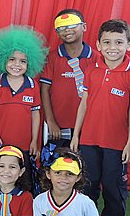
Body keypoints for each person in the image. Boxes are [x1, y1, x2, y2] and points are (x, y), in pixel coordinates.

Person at [71, 19, 130, 216]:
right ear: (98, 45)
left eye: (119, 42)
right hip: (89, 140)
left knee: (113, 190)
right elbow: (83, 104)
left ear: (129, 44)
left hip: (116, 144)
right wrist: (76, 135)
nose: (113, 47)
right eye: (107, 42)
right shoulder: (91, 71)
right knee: (87, 187)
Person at [40, 9, 97, 148]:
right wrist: (50, 121)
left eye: (72, 25)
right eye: (61, 27)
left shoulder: (97, 59)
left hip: (88, 127)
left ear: (84, 27)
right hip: (58, 129)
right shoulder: (52, 58)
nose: (67, 30)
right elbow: (44, 90)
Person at [0, 26, 47, 157]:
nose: (17, 65)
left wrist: (34, 141)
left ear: (29, 63)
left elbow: (35, 115)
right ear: (3, 59)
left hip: (24, 146)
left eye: (23, 61)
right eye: (12, 59)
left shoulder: (33, 86)